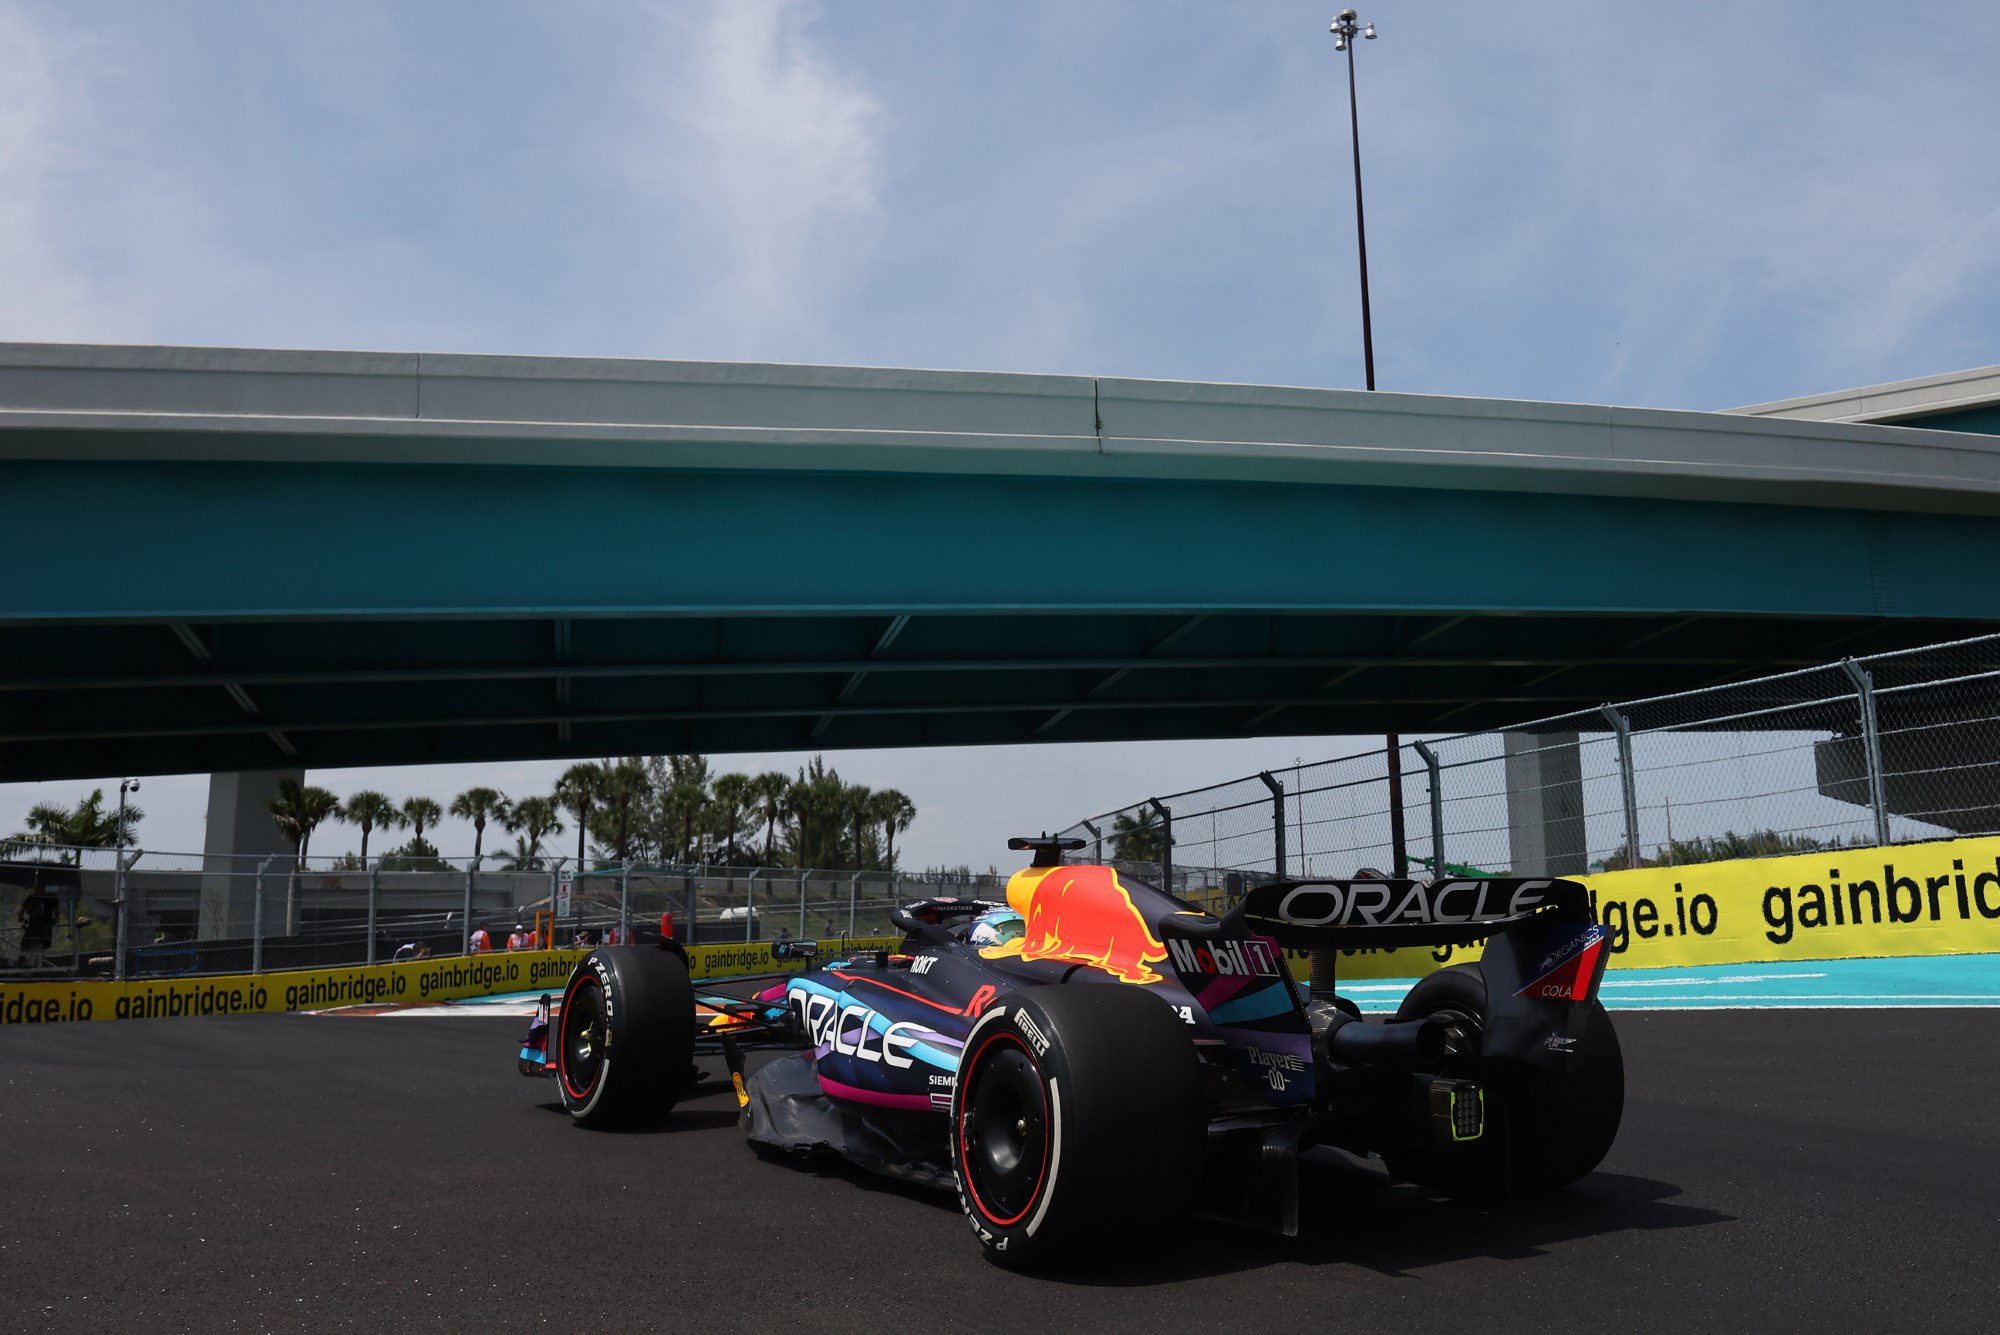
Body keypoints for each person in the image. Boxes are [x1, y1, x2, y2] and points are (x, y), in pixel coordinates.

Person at [17, 884, 58, 968]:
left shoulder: (50, 898)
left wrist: (55, 920)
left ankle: (36, 966)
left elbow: (57, 911)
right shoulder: (32, 897)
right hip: (34, 926)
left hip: (44, 927)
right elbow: (21, 912)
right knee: (26, 945)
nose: (35, 890)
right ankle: (23, 962)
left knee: (39, 946)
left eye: (37, 887)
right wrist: (22, 919)